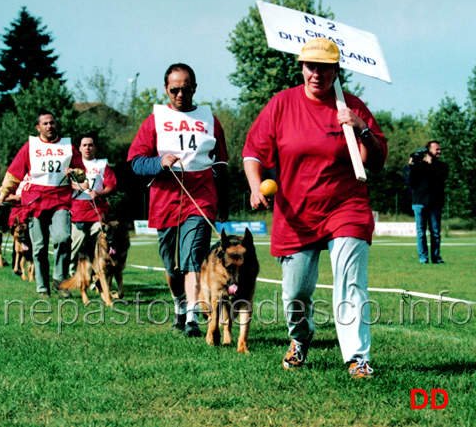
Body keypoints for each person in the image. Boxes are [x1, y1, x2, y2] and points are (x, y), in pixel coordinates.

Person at [243, 38, 387, 379]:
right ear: (302, 67)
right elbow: (253, 153)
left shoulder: (351, 106)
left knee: (350, 281)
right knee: (295, 293)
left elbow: (375, 163)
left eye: (325, 67)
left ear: (337, 70)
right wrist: (254, 186)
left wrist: (362, 129)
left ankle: (357, 358)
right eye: (311, 66)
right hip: (297, 212)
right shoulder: (282, 104)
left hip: (346, 205)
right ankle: (300, 338)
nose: (317, 73)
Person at [128, 63, 229, 338]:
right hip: (166, 200)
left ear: (195, 88)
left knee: (192, 258)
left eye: (186, 89)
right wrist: (159, 161)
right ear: (166, 89)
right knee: (172, 268)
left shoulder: (210, 120)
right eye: (175, 90)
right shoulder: (154, 121)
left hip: (201, 197)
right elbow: (135, 162)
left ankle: (193, 319)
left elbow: (220, 163)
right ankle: (179, 307)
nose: (180, 94)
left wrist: (223, 201)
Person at [0, 111, 86, 297]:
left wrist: (75, 172)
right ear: (38, 127)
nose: (49, 126)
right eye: (45, 123)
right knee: (40, 246)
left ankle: (60, 282)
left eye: (52, 122)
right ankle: (42, 286)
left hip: (60, 200)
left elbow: (82, 173)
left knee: (63, 238)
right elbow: (13, 174)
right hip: (34, 201)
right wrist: (2, 195)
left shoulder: (68, 146)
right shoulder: (30, 147)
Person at [69, 133, 118, 275]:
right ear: (79, 148)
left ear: (95, 147)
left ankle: (96, 275)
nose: (87, 148)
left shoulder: (102, 165)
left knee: (97, 245)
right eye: (84, 145)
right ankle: (72, 274)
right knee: (75, 246)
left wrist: (99, 194)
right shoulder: (71, 166)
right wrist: (77, 186)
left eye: (90, 145)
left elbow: (111, 186)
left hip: (97, 211)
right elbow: (61, 186)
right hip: (77, 211)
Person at [408, 141, 448, 264]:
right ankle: (423, 258)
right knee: (421, 232)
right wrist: (413, 165)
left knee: (435, 232)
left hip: (435, 203)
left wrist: (427, 163)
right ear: (429, 150)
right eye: (436, 149)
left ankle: (436, 257)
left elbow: (440, 178)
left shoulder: (442, 166)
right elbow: (411, 183)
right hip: (420, 202)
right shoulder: (418, 166)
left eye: (439, 149)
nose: (439, 151)